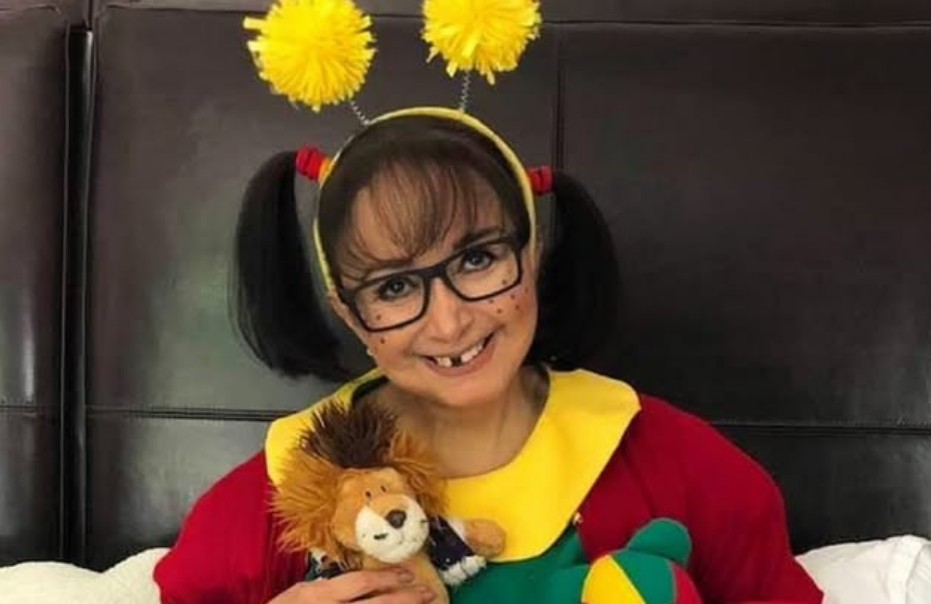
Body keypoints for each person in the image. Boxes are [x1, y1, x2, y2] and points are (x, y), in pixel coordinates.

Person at [152, 104, 824, 604]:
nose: (449, 321)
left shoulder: (674, 462)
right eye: (393, 287)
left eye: (476, 259)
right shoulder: (282, 493)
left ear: (530, 253)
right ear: (351, 313)